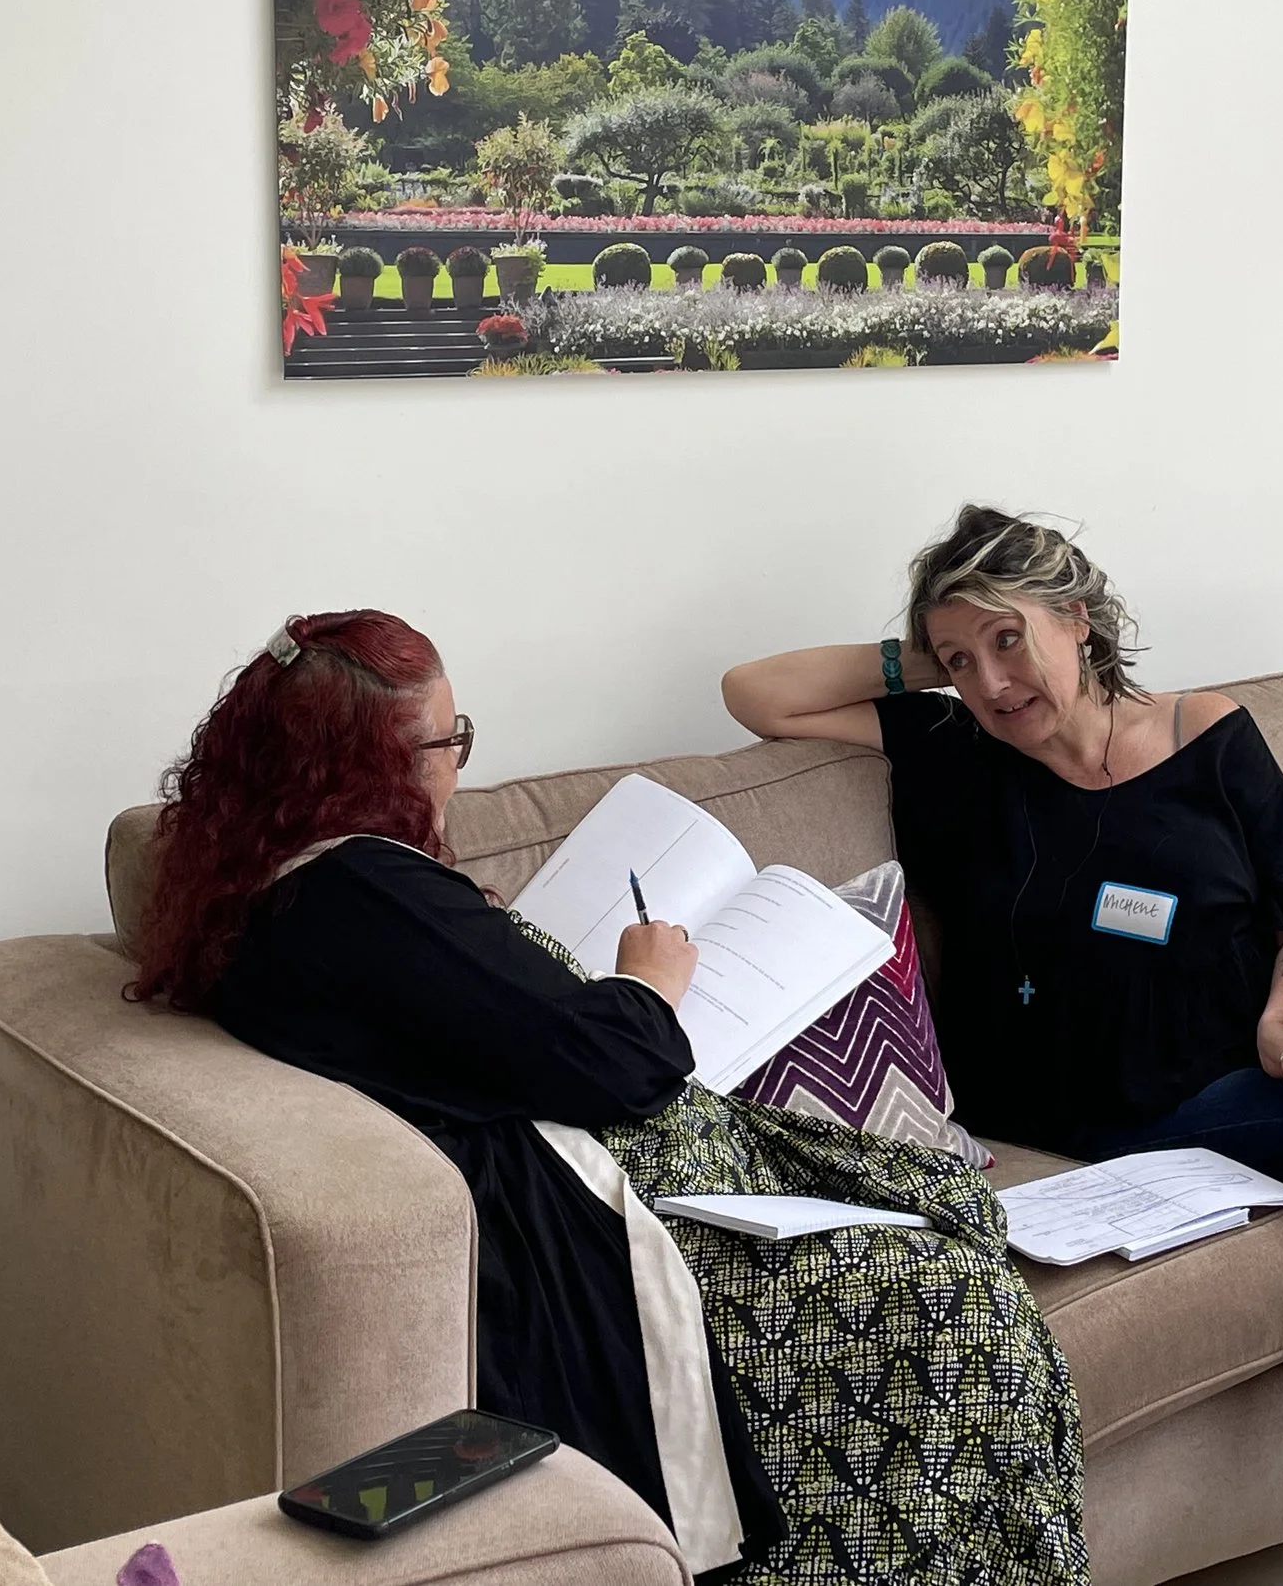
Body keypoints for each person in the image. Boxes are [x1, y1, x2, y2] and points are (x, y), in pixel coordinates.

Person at [129, 610, 1085, 1586]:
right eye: (448, 741)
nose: (456, 766)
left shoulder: (268, 892)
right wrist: (647, 979)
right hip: (605, 1206)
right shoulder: (369, 887)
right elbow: (613, 1063)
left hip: (607, 1163)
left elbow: (475, 1026)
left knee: (934, 1215)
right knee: (957, 1301)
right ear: (368, 766)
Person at [723, 509, 1283, 1586]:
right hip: (1072, 1117)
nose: (991, 681)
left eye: (1009, 640)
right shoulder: (949, 748)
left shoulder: (1210, 736)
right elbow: (755, 693)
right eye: (961, 659)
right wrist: (934, 654)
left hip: (1226, 1088)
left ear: (1079, 618)